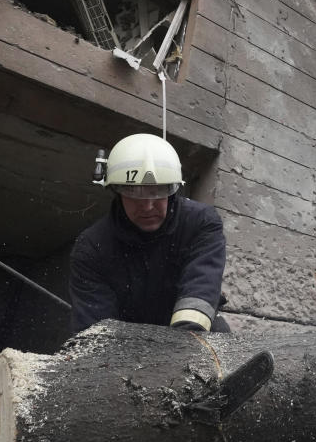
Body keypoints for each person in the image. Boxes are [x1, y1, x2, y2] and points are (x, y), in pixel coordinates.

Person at [69, 133, 227, 336]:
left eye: (157, 192)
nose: (147, 206)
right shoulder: (91, 248)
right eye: (134, 194)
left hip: (195, 334)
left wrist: (183, 347)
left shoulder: (201, 223)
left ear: (173, 189)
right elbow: (95, 332)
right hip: (127, 344)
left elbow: (201, 286)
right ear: (117, 191)